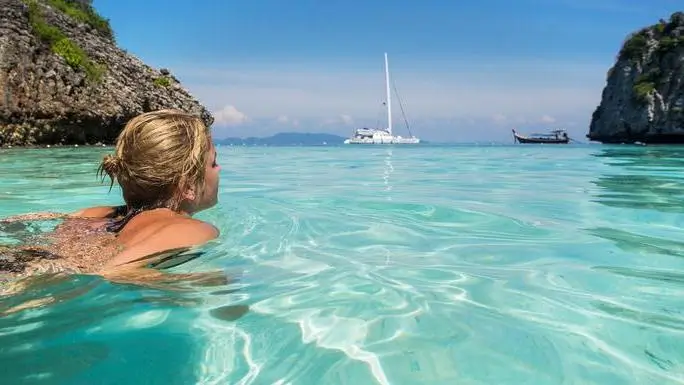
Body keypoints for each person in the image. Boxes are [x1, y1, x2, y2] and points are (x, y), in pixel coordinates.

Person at [0, 109, 223, 286]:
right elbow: (112, 272)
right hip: (30, 285)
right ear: (188, 185)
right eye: (213, 162)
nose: (219, 168)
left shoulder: (93, 214)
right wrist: (205, 281)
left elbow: (21, 225)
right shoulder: (195, 229)